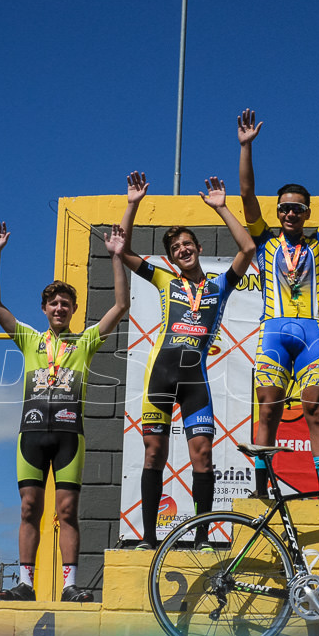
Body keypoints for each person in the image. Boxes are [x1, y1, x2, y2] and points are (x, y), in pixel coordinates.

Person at [0, 197, 131, 602]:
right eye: (53, 303)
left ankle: (70, 585)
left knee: (67, 511)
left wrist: (116, 257)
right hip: (31, 434)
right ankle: (26, 583)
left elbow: (120, 305)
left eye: (66, 303)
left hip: (70, 435)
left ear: (74, 309)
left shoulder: (84, 342)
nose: (60, 307)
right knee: (29, 507)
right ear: (46, 309)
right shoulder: (31, 340)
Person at [117, 172, 255, 549]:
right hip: (160, 376)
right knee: (154, 453)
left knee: (204, 457)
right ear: (171, 256)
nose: (182, 249)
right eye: (176, 246)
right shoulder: (165, 281)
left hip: (195, 382)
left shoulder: (218, 285)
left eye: (187, 243)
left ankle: (201, 538)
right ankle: (148, 538)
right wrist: (133, 205)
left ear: (197, 247)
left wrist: (222, 207)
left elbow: (247, 250)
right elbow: (123, 251)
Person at [238, 108, 319, 495]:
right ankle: (261, 488)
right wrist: (246, 147)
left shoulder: (318, 242)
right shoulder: (265, 242)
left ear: (306, 213)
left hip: (311, 335)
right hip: (273, 332)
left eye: (297, 209)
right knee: (267, 410)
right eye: (284, 207)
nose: (289, 213)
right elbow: (247, 195)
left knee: (316, 414)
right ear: (278, 212)